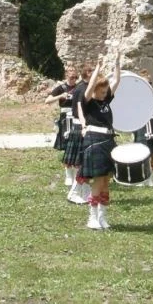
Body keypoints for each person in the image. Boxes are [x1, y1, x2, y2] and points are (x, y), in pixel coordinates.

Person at [80, 54, 121, 229]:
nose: (105, 94)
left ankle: (103, 217)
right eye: (102, 91)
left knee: (106, 181)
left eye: (106, 92)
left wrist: (117, 62)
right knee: (98, 180)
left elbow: (117, 80)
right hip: (95, 140)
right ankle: (92, 217)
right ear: (96, 90)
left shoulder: (105, 100)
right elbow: (89, 87)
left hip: (108, 140)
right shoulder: (88, 102)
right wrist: (98, 67)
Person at [63, 62, 94, 205]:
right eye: (92, 72)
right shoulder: (82, 89)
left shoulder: (83, 87)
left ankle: (86, 191)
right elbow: (81, 110)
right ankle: (74, 193)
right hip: (80, 127)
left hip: (82, 126)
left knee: (84, 164)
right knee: (82, 164)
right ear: (88, 74)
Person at [44, 66, 79, 186]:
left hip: (77, 118)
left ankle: (77, 174)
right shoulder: (61, 88)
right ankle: (68, 174)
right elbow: (47, 101)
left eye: (75, 77)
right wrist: (60, 96)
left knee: (77, 146)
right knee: (67, 146)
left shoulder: (79, 87)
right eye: (71, 77)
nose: (74, 79)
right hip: (65, 119)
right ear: (66, 76)